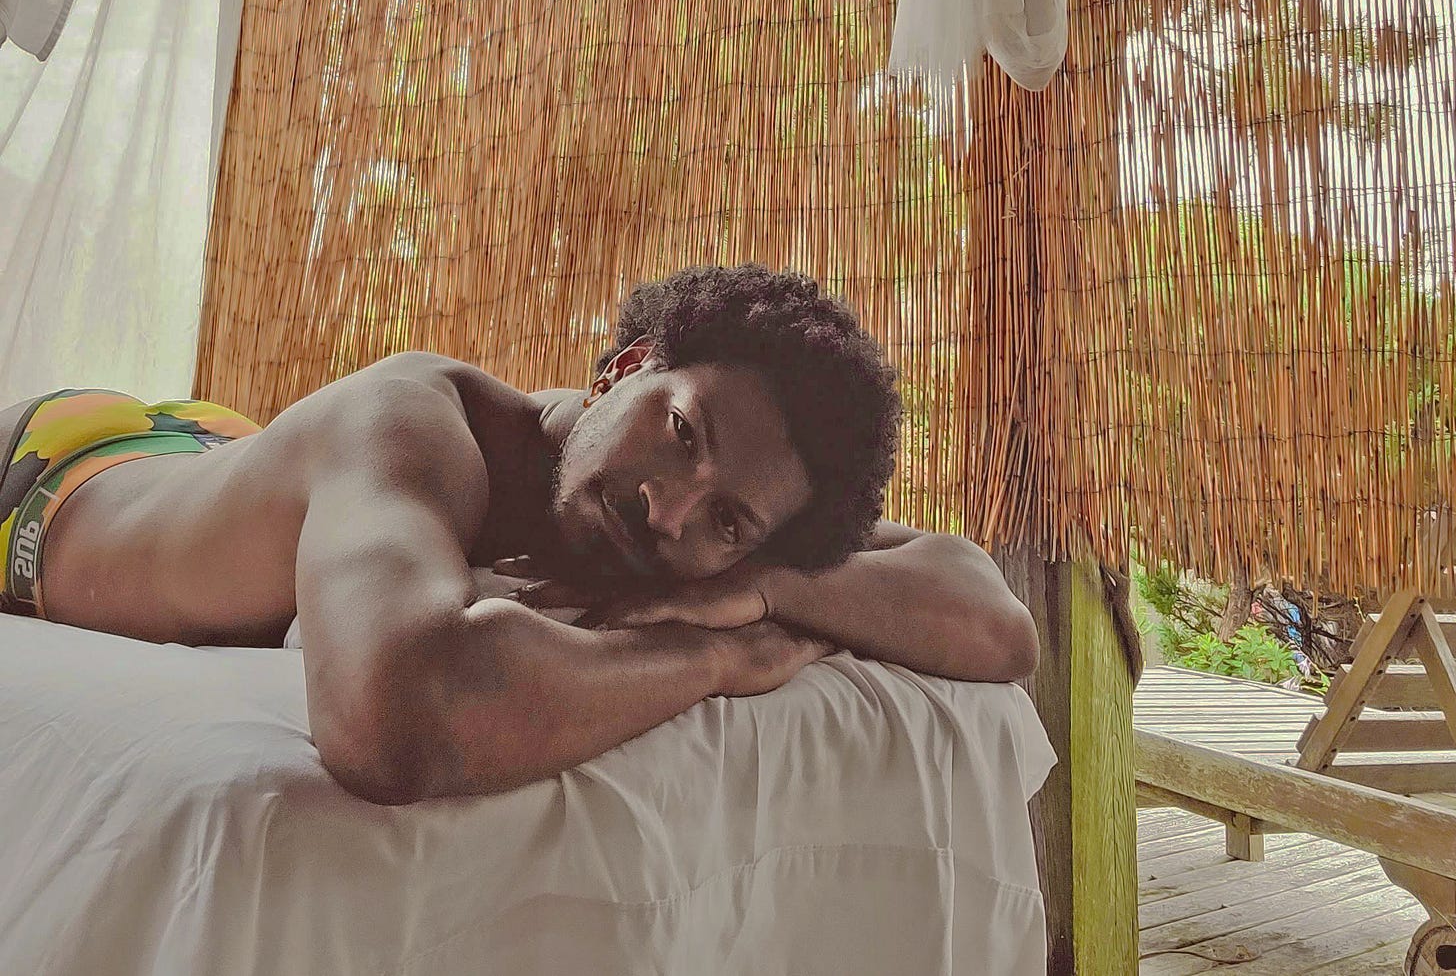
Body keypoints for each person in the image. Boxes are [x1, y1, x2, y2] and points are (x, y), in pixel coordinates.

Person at [0, 262, 1037, 803]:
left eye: (726, 520)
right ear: (625, 369)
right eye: (680, 434)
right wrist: (722, 654)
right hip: (57, 473)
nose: (666, 509)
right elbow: (395, 720)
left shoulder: (714, 530)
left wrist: (774, 586)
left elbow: (993, 621)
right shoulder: (414, 420)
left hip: (223, 446)